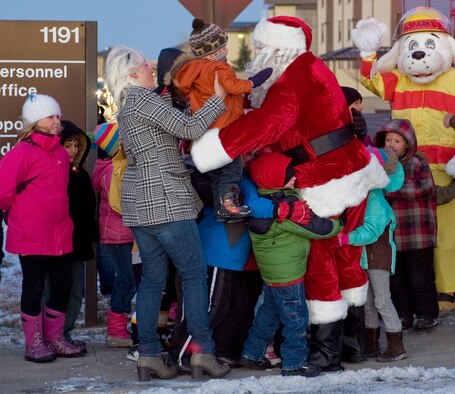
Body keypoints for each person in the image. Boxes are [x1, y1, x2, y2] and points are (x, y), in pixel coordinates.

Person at [190, 16, 389, 372]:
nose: (257, 58)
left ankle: (326, 353)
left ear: (278, 50)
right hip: (349, 170)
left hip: (325, 179)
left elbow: (269, 124)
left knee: (321, 265)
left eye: (263, 49)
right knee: (344, 259)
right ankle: (348, 344)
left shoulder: (290, 83)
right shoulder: (311, 67)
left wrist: (214, 148)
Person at [104, 45, 230, 381]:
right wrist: (218, 99)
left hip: (139, 203)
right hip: (167, 199)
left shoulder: (128, 104)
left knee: (152, 282)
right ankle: (203, 351)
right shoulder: (144, 99)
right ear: (132, 73)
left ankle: (148, 355)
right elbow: (189, 129)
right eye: (145, 65)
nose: (151, 68)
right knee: (193, 274)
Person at [239, 152, 342, 377]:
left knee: (268, 314)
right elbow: (317, 229)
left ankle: (251, 353)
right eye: (289, 175)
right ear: (276, 179)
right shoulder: (287, 208)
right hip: (289, 276)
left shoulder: (263, 201)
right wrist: (338, 224)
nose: (295, 178)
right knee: (296, 320)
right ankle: (294, 363)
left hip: (272, 274)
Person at [0, 94, 86, 362]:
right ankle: (34, 343)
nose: (57, 121)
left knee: (62, 283)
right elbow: (3, 191)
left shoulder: (61, 153)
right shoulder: (22, 153)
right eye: (51, 116)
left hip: (60, 232)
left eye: (58, 116)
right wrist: (18, 214)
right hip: (30, 233)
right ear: (36, 120)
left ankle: (56, 338)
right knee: (34, 286)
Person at [162, 18, 272, 222]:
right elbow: (233, 87)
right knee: (232, 171)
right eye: (224, 45)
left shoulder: (191, 70)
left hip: (204, 131)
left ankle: (220, 208)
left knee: (216, 176)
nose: (227, 50)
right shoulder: (219, 68)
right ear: (216, 50)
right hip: (223, 130)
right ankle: (228, 206)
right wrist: (254, 81)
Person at [338, 146, 407, 362]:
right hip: (364, 257)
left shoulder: (375, 199)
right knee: (367, 302)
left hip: (378, 256)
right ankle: (371, 344)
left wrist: (346, 238)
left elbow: (372, 230)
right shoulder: (360, 196)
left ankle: (397, 346)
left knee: (382, 301)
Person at [374, 119, 439, 331]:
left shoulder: (418, 161)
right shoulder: (383, 166)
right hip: (393, 234)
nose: (391, 145)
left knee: (421, 277)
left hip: (417, 233)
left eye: (397, 141)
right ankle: (404, 314)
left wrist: (394, 188)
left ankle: (427, 314)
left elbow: (426, 189)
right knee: (397, 278)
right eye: (388, 140)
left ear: (408, 144)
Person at [43, 120, 97, 347]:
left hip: (77, 244)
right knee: (51, 289)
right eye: (68, 145)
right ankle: (47, 334)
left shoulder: (81, 176)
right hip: (53, 243)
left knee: (75, 291)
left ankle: (64, 332)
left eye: (77, 145)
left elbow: (87, 211)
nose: (74, 150)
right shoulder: (50, 174)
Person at [92, 121, 136, 348]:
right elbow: (120, 204)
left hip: (122, 232)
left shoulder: (114, 167)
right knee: (127, 282)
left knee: (129, 280)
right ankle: (116, 331)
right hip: (119, 233)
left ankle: (120, 327)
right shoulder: (113, 170)